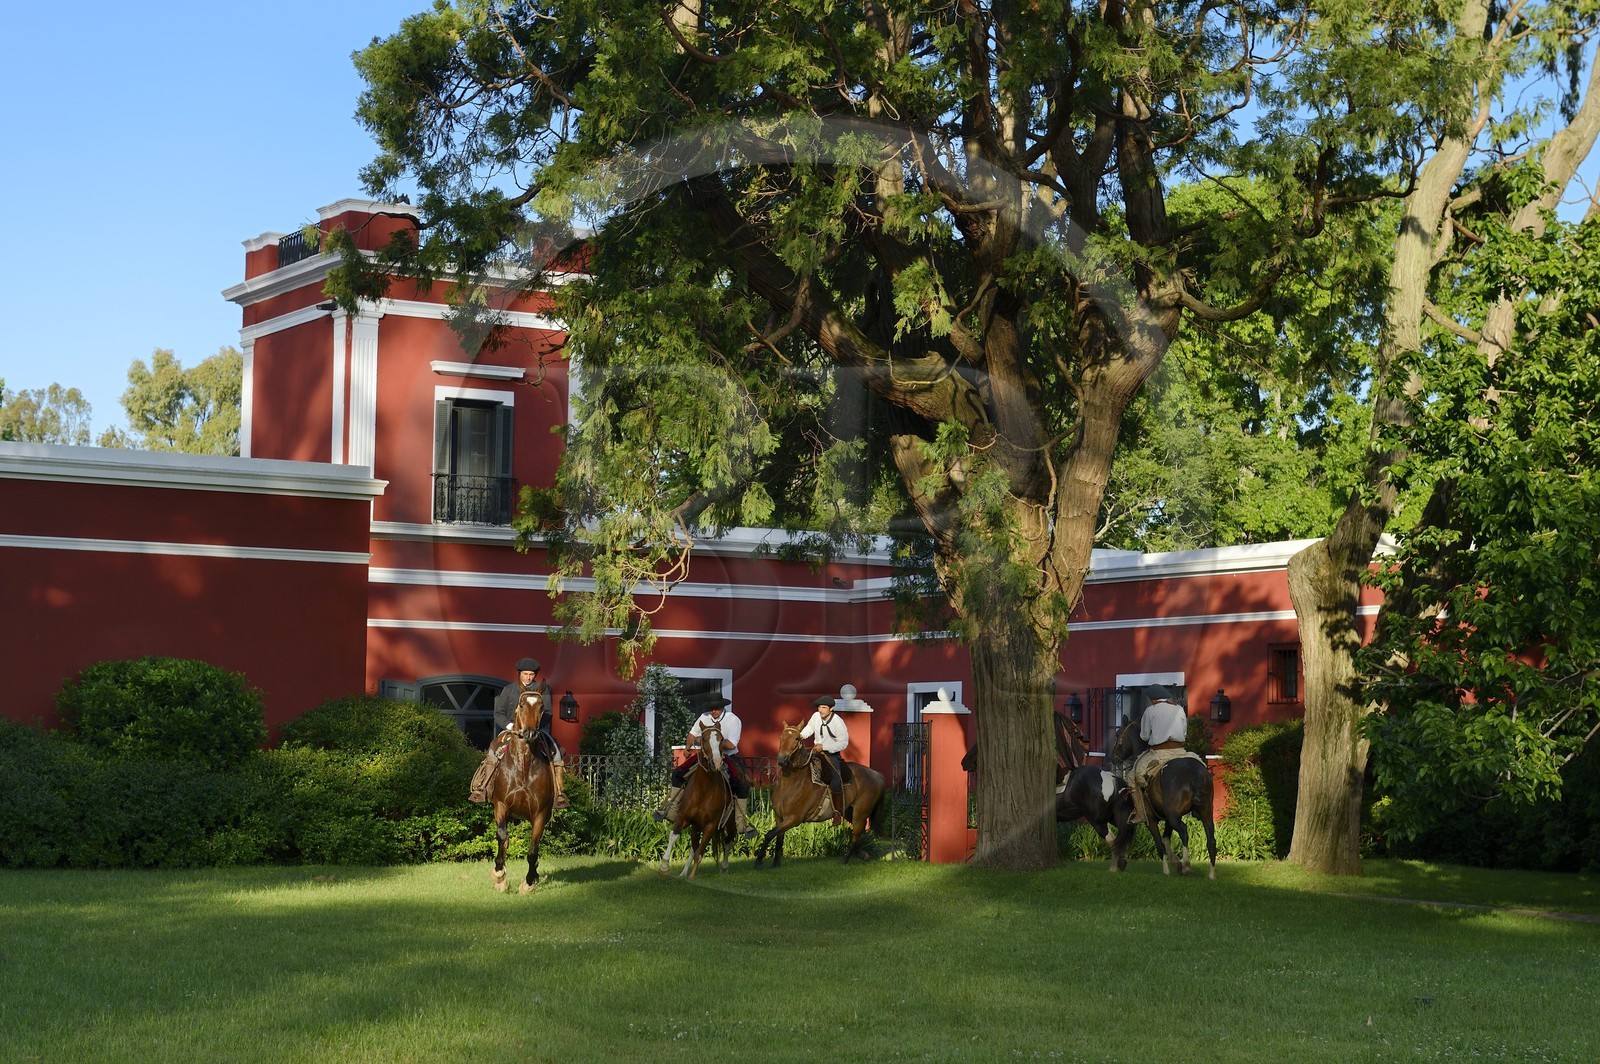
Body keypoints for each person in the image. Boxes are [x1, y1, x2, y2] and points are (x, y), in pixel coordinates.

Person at [468, 657, 568, 808]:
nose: (528, 677)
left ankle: (559, 793)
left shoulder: (542, 690)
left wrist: (536, 727)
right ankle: (482, 788)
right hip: (512, 730)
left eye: (531, 674)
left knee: (557, 753)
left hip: (535, 730)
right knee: (493, 751)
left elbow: (548, 713)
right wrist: (510, 726)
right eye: (525, 674)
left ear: (535, 675)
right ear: (519, 674)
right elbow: (499, 713)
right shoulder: (509, 689)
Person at [654, 695, 755, 837]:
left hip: (728, 755)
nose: (713, 711)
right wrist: (688, 747)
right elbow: (692, 734)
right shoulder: (704, 717)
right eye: (711, 708)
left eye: (716, 708)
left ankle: (741, 822)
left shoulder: (733, 720)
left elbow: (732, 744)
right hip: (706, 756)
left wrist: (713, 742)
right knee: (678, 773)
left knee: (741, 785)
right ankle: (671, 809)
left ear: (722, 707)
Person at [1127, 685, 1187, 827]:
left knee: (1132, 776)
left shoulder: (1150, 711)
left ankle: (1140, 813)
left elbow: (1144, 735)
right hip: (1180, 751)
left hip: (1159, 753)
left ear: (1152, 699)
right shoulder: (1179, 709)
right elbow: (1184, 733)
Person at [799, 695, 851, 821]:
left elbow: (843, 743)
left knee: (835, 781)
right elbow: (810, 728)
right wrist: (801, 735)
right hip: (816, 753)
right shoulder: (816, 716)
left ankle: (837, 812)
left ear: (831, 709)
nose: (820, 710)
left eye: (823, 707)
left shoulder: (838, 722)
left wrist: (825, 747)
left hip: (831, 755)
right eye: (819, 707)